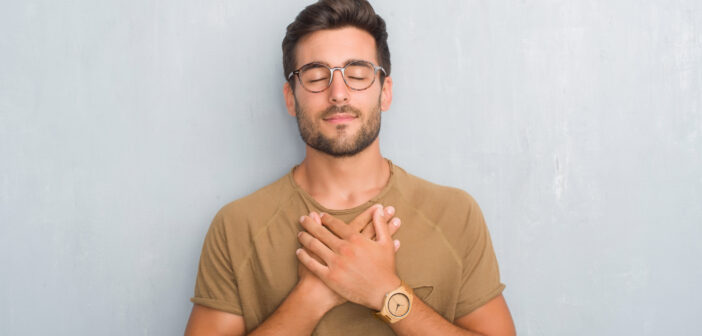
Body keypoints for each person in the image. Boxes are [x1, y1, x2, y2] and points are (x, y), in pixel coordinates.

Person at [185, 0, 516, 335]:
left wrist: (385, 293)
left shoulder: (455, 214)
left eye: (357, 75)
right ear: (290, 97)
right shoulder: (236, 226)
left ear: (384, 93)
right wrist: (312, 297)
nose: (338, 93)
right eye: (316, 77)